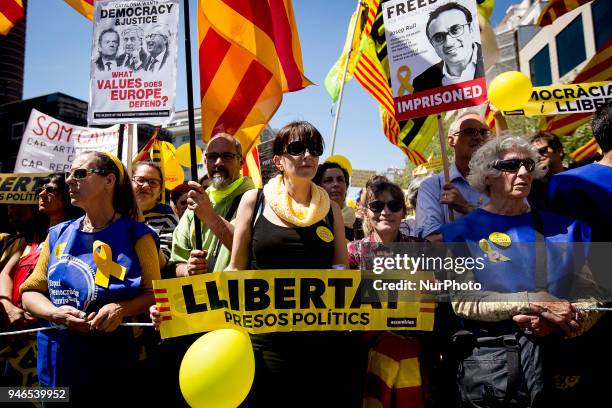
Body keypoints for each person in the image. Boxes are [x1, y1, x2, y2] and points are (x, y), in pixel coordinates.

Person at [441, 135, 601, 406]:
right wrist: (531, 303)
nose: (525, 171)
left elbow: (596, 299)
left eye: (528, 163)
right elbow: (463, 301)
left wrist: (565, 321)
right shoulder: (457, 234)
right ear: (487, 176)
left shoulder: (572, 228)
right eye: (511, 165)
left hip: (561, 371)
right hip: (494, 374)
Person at [226, 121, 360, 406]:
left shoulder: (332, 210)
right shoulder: (254, 200)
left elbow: (340, 272)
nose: (308, 156)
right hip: (265, 342)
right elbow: (235, 270)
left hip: (320, 343)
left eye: (315, 148)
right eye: (297, 148)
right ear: (278, 160)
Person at [20, 151, 160, 404]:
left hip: (111, 365)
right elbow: (30, 291)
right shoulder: (57, 234)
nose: (70, 180)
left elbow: (154, 294)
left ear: (109, 181)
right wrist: (54, 313)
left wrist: (121, 308)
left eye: (80, 174)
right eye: (69, 174)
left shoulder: (138, 235)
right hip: (56, 363)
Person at [0, 174, 81, 389]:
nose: (42, 193)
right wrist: (8, 307)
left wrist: (43, 312)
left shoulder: (80, 236)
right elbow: (5, 274)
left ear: (67, 196)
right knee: (9, 396)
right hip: (15, 336)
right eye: (41, 189)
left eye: (51, 190)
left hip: (51, 337)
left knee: (54, 395)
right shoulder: (32, 238)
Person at [168, 133, 255, 276]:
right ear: (205, 160)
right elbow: (175, 263)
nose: (218, 163)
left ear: (241, 162)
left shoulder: (257, 199)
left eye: (227, 156)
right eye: (212, 156)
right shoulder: (195, 204)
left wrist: (210, 217)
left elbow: (252, 252)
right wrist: (187, 269)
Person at [416, 111, 490, 241]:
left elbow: (517, 228)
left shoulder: (503, 180)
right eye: (470, 131)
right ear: (451, 140)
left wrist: (467, 208)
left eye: (484, 132)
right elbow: (431, 242)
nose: (479, 137)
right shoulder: (432, 186)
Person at [412, 2, 484, 93]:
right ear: (432, 45)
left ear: (471, 28)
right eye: (438, 37)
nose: (449, 43)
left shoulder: (491, 55)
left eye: (456, 29)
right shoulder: (422, 82)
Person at [132, 161, 178, 274]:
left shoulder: (167, 219)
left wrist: (140, 224)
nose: (146, 186)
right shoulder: (116, 214)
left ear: (160, 191)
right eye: (140, 180)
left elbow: (162, 264)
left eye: (153, 182)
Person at [314, 160, 355, 240]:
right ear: (318, 187)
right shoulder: (310, 220)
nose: (336, 184)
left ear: (346, 187)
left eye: (340, 180)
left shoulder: (358, 225)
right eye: (328, 180)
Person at [528, 133, 565, 210]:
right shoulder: (532, 187)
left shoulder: (578, 177)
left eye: (542, 150)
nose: (537, 156)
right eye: (534, 153)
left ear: (559, 151)